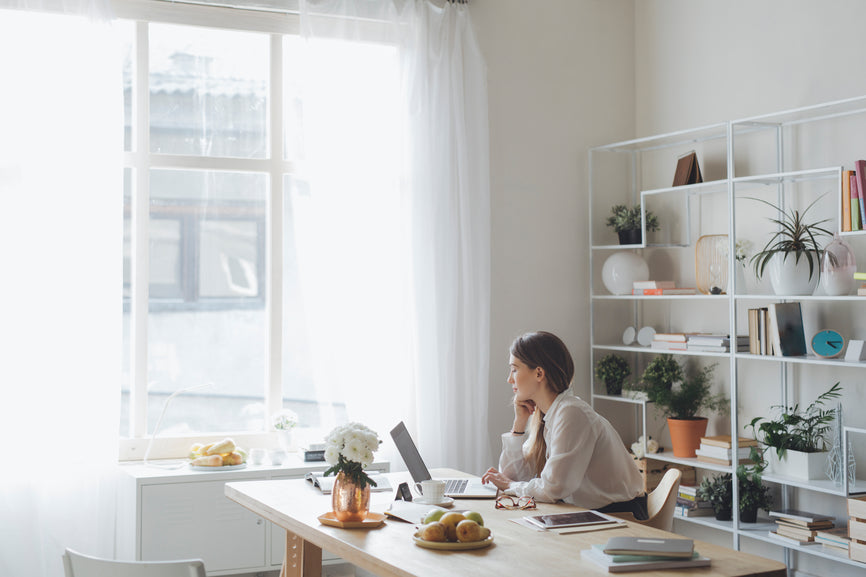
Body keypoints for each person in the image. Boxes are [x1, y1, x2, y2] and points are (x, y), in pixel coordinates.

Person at [481, 331, 647, 519]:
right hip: (590, 513)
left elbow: (553, 488)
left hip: (620, 517)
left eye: (515, 369)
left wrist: (510, 486)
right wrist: (519, 425)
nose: (509, 379)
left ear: (539, 373)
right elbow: (514, 477)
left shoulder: (572, 413)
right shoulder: (551, 414)